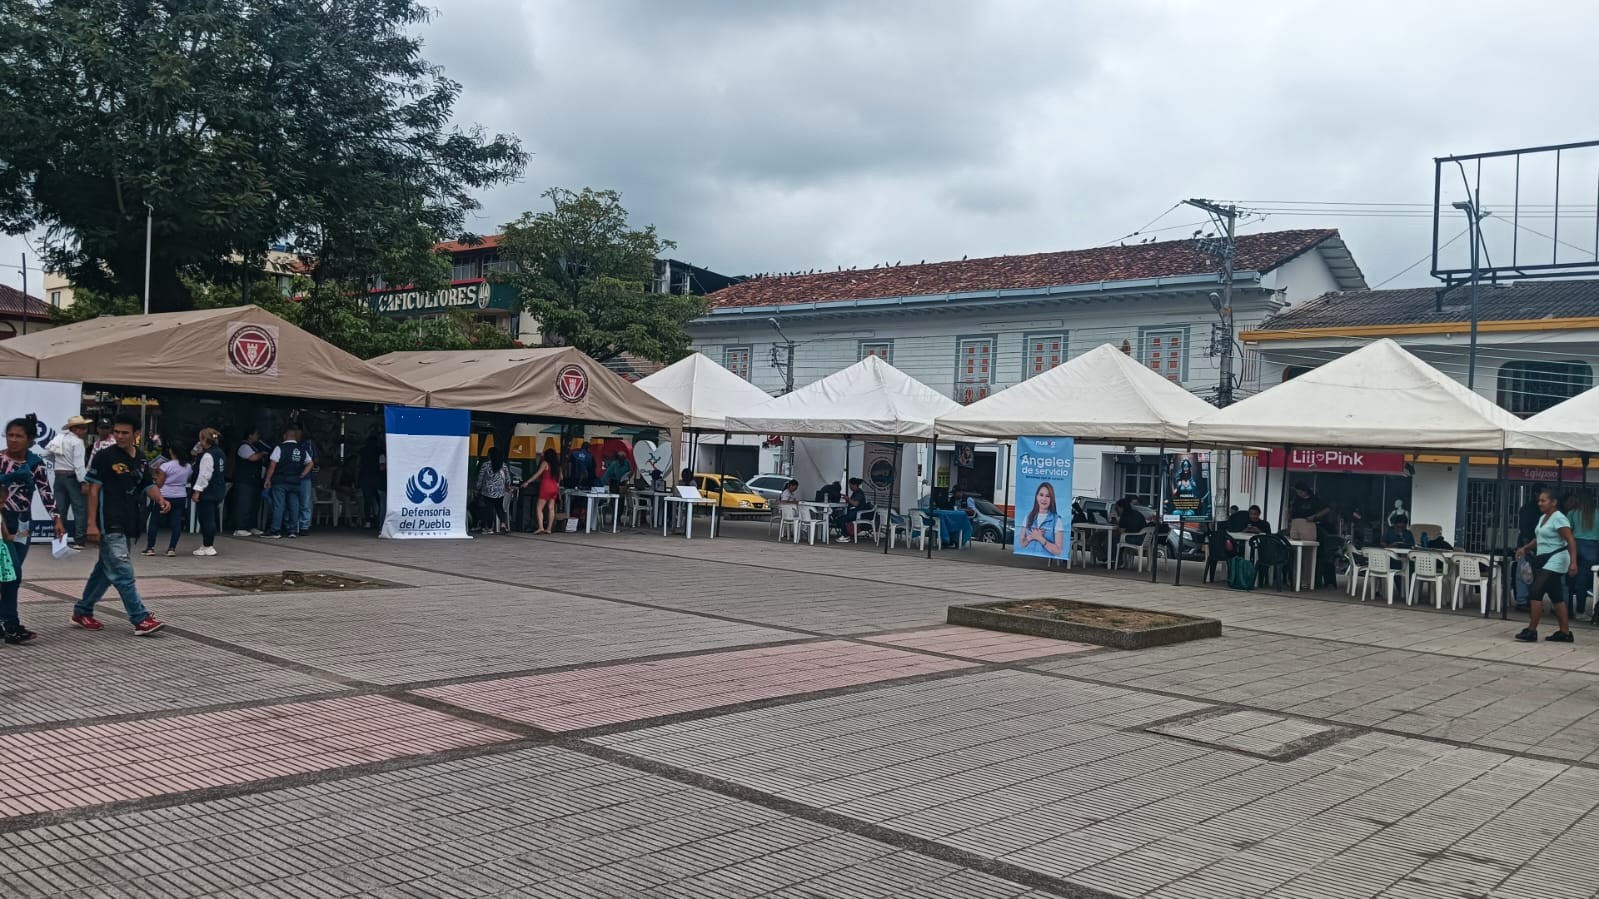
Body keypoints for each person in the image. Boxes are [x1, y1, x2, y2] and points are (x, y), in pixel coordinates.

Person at [72, 414, 166, 636]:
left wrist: (161, 499)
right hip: (109, 522)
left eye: (125, 433)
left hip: (129, 522)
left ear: (136, 434)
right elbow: (93, 490)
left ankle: (82, 611)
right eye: (117, 432)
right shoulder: (104, 457)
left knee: (106, 571)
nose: (120, 436)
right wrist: (91, 524)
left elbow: (147, 484)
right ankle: (140, 618)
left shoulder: (140, 458)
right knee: (123, 571)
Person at [0, 416, 65, 644]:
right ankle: (11, 624)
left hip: (23, 524)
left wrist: (56, 519)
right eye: (10, 435)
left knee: (10, 576)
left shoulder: (35, 463)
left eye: (19, 436)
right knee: (12, 573)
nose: (13, 440)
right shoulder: (1, 459)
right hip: (2, 523)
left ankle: (6, 622)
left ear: (30, 440)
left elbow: (46, 493)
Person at [1514, 487, 1577, 643]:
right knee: (1556, 595)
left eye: (1543, 500)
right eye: (1539, 500)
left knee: (1536, 591)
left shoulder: (1559, 518)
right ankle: (1565, 632)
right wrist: (1525, 548)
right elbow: (1539, 538)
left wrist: (1573, 562)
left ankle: (1531, 630)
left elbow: (1570, 539)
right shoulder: (1544, 517)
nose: (1540, 503)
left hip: (1556, 559)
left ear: (1553, 502)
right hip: (1544, 558)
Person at [45, 415, 91, 548]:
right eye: (83, 428)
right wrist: (83, 481)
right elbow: (78, 464)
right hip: (72, 477)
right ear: (76, 429)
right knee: (79, 508)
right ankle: (79, 539)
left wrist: (59, 463)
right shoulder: (77, 442)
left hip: (59, 476)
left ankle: (59, 538)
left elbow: (47, 454)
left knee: (60, 508)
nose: (85, 431)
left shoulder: (59, 438)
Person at [263, 424, 311, 538]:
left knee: (279, 505)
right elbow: (310, 463)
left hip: (281, 481)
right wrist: (303, 474)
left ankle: (275, 530)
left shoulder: (280, 448)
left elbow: (272, 465)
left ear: (285, 436)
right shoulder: (302, 449)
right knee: (294, 506)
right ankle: (292, 530)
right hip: (295, 482)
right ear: (294, 436)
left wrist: (268, 479)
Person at [143, 443, 191, 557]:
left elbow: (159, 483)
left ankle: (150, 547)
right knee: (176, 523)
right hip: (180, 496)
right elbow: (186, 479)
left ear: (171, 451)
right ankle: (172, 548)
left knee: (155, 522)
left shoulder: (166, 466)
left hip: (165, 495)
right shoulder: (188, 466)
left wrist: (155, 475)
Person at [190, 428, 226, 556]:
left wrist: (197, 491)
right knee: (211, 517)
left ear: (205, 440)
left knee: (206, 518)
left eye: (201, 439)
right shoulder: (220, 453)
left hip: (208, 491)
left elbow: (204, 475)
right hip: (218, 489)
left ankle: (208, 545)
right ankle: (207, 544)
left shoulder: (207, 455)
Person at [1566, 492, 1599, 616]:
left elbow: (1567, 531)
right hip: (1592, 549)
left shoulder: (1572, 513)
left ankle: (1568, 610)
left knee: (1570, 581)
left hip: (1574, 546)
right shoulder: (1598, 513)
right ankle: (1580, 610)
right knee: (1583, 583)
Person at [231, 429, 269, 536]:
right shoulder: (244, 446)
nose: (258, 436)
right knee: (244, 504)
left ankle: (251, 526)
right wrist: (262, 454)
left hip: (254, 480)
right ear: (250, 435)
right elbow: (253, 458)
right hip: (244, 480)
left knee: (254, 505)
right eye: (256, 434)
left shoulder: (255, 447)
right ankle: (240, 527)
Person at [1019, 482, 1066, 556]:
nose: (1044, 499)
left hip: (1045, 561)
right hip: (1029, 559)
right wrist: (1031, 536)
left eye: (1048, 496)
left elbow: (1058, 551)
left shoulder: (1057, 520)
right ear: (1036, 496)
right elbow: (1022, 544)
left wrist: (1040, 538)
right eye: (1041, 495)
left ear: (1052, 499)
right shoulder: (1028, 516)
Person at [522, 448, 561, 534]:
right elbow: (560, 478)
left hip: (546, 487)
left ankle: (541, 527)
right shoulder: (557, 466)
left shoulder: (545, 463)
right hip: (554, 487)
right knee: (551, 508)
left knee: (539, 508)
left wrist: (528, 482)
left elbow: (538, 474)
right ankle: (549, 529)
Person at [474, 449, 510, 535]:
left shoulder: (486, 465)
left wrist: (477, 488)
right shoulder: (503, 465)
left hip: (487, 490)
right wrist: (507, 486)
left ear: (490, 455)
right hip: (500, 491)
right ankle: (503, 524)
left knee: (489, 508)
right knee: (499, 507)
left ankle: (490, 528)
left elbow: (480, 477)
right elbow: (508, 478)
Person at [357, 433, 386, 528]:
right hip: (377, 478)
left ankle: (368, 521)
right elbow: (382, 467)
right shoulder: (380, 452)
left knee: (367, 500)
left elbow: (358, 465)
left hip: (365, 478)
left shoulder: (362, 451)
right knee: (380, 500)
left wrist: (357, 478)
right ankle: (379, 520)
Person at [834, 477, 872, 542]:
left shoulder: (859, 493)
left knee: (841, 519)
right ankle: (846, 534)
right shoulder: (856, 492)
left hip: (857, 514)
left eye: (850, 485)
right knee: (840, 518)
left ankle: (845, 536)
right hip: (854, 513)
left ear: (855, 485)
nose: (850, 487)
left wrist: (848, 499)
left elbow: (856, 504)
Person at [296, 425, 318, 535]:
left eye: (298, 430)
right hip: (292, 477)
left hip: (305, 477)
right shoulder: (289, 444)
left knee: (305, 502)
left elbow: (314, 460)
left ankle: (304, 526)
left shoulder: (308, 443)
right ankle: (293, 525)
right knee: (293, 502)